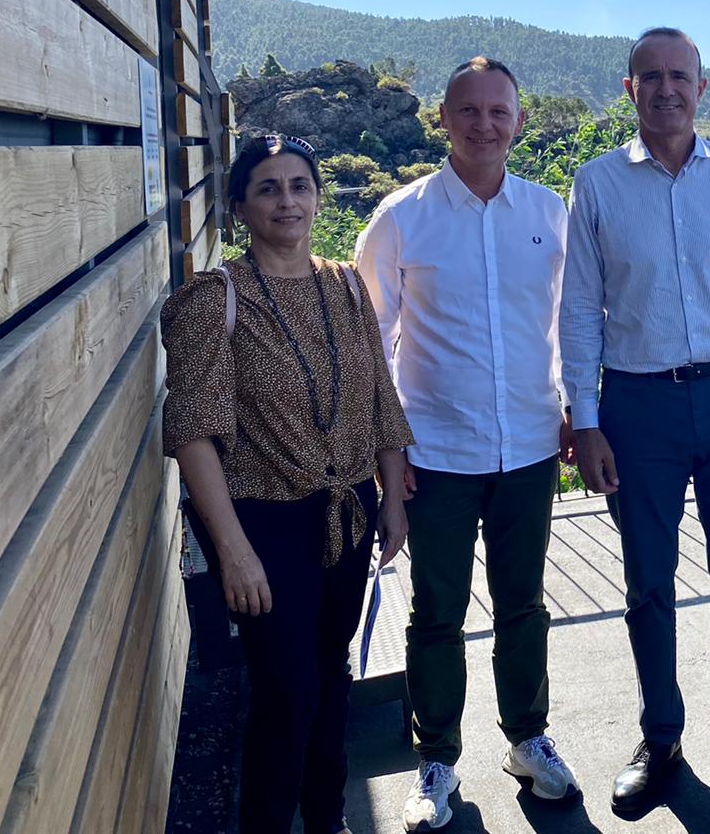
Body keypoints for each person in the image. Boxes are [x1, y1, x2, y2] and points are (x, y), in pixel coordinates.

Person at [560, 27, 710, 815]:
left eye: (680, 76)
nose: (666, 88)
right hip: (640, 406)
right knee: (646, 583)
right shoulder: (595, 184)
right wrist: (586, 420)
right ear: (628, 90)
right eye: (650, 76)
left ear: (702, 89)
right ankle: (661, 735)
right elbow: (578, 314)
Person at [162, 134, 414, 834]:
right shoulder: (216, 299)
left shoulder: (342, 284)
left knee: (331, 679)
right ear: (239, 205)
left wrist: (391, 497)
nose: (287, 200)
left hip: (348, 511)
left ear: (317, 196)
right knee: (286, 693)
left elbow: (381, 399)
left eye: (299, 185)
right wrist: (233, 551)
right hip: (263, 522)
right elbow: (191, 434)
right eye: (268, 187)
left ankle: (328, 818)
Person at [356, 58, 578, 831]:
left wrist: (577, 407)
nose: (486, 124)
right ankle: (438, 757)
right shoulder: (401, 218)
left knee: (523, 605)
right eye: (469, 111)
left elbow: (572, 325)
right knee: (436, 613)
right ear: (443, 119)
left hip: (529, 446)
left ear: (518, 119)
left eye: (499, 111)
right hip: (435, 455)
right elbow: (371, 344)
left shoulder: (550, 213)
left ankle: (528, 739)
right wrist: (388, 454)